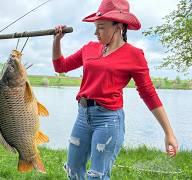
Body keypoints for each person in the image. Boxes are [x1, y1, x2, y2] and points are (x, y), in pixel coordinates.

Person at [52, 0, 178, 179]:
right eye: (96, 27)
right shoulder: (89, 48)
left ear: (118, 26)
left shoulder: (134, 55)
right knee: (72, 170)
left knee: (97, 175)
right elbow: (61, 66)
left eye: (101, 27)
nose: (96, 32)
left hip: (108, 120)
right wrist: (57, 41)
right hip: (82, 115)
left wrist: (169, 133)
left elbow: (149, 93)